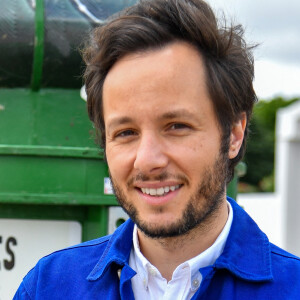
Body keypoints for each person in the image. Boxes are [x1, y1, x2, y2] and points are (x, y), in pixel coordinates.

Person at [14, 0, 300, 299]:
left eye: (176, 126)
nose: (147, 160)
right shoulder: (48, 287)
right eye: (126, 133)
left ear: (234, 134)